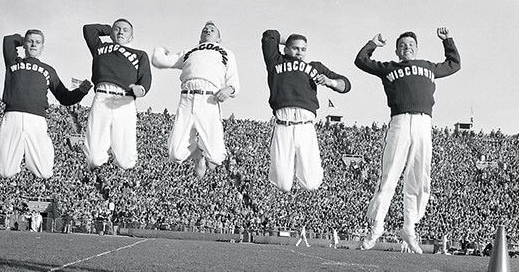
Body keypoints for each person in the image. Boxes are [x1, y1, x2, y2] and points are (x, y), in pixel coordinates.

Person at [355, 28, 461, 254]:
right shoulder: (389, 68)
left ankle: (409, 227)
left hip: (424, 123)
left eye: (410, 44)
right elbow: (361, 61)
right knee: (390, 173)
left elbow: (454, 64)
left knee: (419, 176)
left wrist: (447, 40)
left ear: (416, 48)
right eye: (402, 45)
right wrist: (373, 43)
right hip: (400, 121)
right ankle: (377, 226)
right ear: (397, 50)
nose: (407, 47)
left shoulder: (428, 66)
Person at [260, 29, 351, 192]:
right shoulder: (276, 61)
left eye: (303, 49)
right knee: (282, 184)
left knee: (311, 184)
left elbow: (346, 85)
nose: (299, 52)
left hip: (306, 125)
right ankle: (289, 171)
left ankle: (308, 168)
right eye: (295, 48)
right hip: (283, 124)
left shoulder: (315, 67)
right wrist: (289, 39)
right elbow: (269, 36)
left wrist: (330, 82)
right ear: (286, 48)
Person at [0, 30, 92, 179]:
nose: (34, 44)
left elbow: (64, 97)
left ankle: (30, 163)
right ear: (24, 44)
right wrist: (24, 39)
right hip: (12, 116)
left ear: (42, 47)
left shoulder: (48, 70)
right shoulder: (13, 62)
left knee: (44, 172)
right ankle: (19, 168)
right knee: (5, 171)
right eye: (30, 41)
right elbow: (8, 40)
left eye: (38, 42)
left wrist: (81, 91)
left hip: (37, 119)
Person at [152, 21, 240, 177]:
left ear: (219, 39)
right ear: (200, 38)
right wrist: (160, 51)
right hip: (187, 97)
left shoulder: (225, 53)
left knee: (216, 158)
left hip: (209, 99)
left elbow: (234, 82)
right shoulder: (190, 51)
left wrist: (229, 89)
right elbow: (161, 61)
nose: (208, 30)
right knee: (175, 154)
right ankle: (197, 155)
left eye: (212, 30)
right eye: (205, 29)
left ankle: (203, 153)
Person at [82, 19, 152, 170]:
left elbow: (145, 79)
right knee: (93, 158)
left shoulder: (139, 54)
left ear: (131, 37)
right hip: (102, 96)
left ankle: (113, 171)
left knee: (126, 162)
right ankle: (101, 170)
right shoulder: (100, 48)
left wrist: (141, 89)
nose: (121, 32)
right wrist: (110, 29)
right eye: (117, 29)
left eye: (125, 30)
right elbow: (88, 29)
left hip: (124, 100)